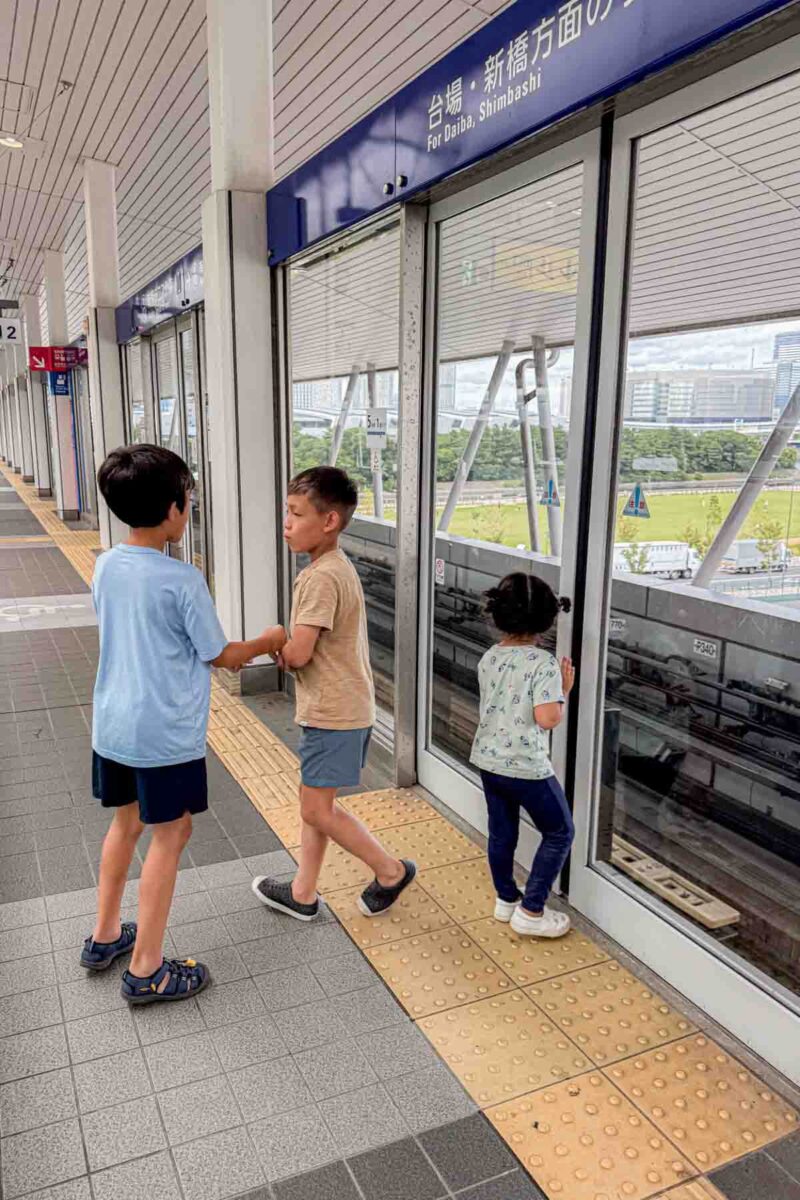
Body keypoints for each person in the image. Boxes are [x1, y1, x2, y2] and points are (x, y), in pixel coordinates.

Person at [81, 445, 286, 1003]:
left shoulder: (105, 564)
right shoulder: (181, 579)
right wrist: (270, 640)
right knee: (171, 835)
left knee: (126, 825)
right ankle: (147, 968)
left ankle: (104, 937)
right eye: (188, 498)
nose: (190, 507)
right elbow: (220, 655)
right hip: (163, 734)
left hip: (114, 725)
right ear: (172, 508)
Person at [252, 466, 415, 920]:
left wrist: (273, 642)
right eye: (287, 512)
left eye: (296, 513)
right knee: (315, 804)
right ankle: (303, 894)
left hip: (333, 711)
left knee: (317, 809)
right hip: (341, 706)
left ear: (329, 522)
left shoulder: (322, 577)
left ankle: (390, 871)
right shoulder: (334, 567)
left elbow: (300, 652)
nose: (286, 523)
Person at [470, 572, 575, 939]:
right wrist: (562, 690)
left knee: (502, 833)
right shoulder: (542, 664)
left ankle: (506, 899)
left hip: (489, 761)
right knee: (560, 831)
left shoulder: (490, 658)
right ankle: (532, 910)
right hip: (527, 767)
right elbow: (547, 718)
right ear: (546, 620)